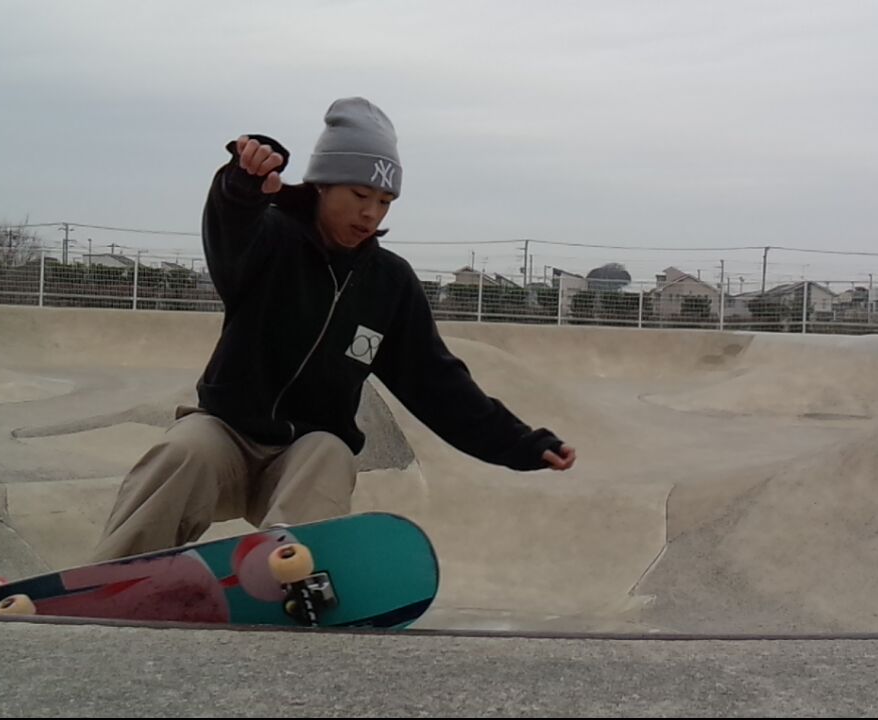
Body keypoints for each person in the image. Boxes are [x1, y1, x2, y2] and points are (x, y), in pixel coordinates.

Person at [90, 97, 576, 562]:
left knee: (330, 452)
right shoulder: (269, 240)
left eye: (385, 201)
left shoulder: (389, 283)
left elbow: (438, 384)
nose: (371, 213)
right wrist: (242, 182)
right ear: (322, 185)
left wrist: (522, 444)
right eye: (360, 195)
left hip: (303, 457)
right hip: (226, 437)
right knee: (185, 449)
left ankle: (286, 576)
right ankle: (111, 578)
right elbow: (230, 225)